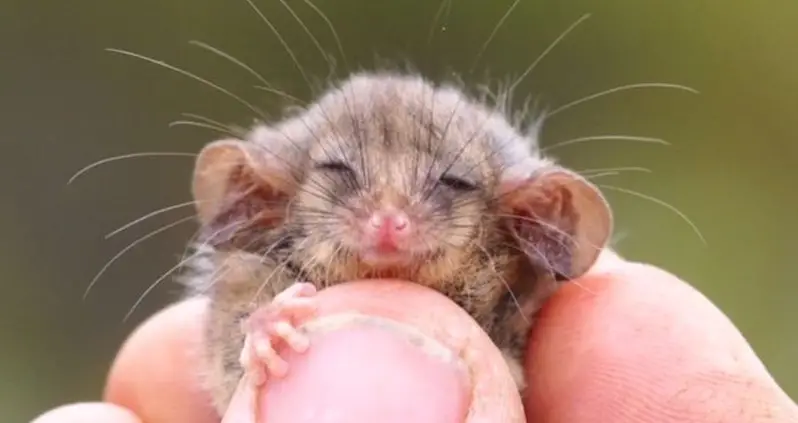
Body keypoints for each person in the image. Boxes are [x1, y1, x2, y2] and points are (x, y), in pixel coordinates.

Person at [32, 251, 798, 422]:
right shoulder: (259, 270)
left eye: (445, 188)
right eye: (346, 175)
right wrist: (259, 326)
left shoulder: (522, 291)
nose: (391, 224)